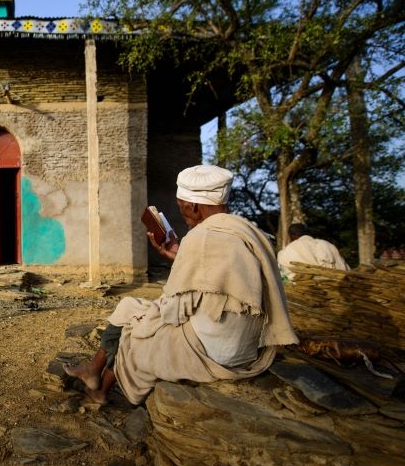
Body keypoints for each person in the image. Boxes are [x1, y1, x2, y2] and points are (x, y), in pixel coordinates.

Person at [64, 165, 299, 405]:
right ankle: (94, 371)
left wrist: (145, 319)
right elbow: (216, 278)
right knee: (128, 307)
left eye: (181, 206)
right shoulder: (248, 231)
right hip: (244, 348)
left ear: (193, 205)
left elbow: (171, 310)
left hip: (211, 351)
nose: (182, 211)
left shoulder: (201, 237)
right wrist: (180, 256)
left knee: (132, 332)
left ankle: (101, 387)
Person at [277, 223, 349, 280]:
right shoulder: (328, 245)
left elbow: (284, 277)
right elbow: (345, 268)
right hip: (342, 284)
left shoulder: (285, 252)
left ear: (291, 235)